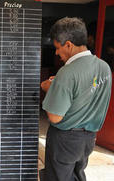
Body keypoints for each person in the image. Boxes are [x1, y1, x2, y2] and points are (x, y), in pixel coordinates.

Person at [40, 17, 112, 181]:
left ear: (68, 45)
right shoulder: (104, 67)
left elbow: (55, 116)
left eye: (58, 48)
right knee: (77, 176)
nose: (57, 53)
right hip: (89, 139)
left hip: (65, 140)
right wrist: (58, 87)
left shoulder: (67, 73)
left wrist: (50, 89)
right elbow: (85, 92)